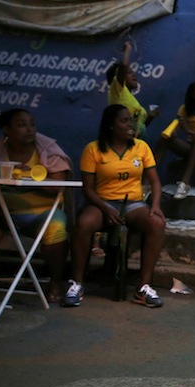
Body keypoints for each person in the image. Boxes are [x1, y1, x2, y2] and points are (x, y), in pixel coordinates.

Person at [63, 104, 166, 308]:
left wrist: (155, 205)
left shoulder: (141, 147)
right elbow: (88, 189)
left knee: (157, 223)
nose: (131, 125)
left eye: (131, 120)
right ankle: (77, 283)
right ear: (111, 125)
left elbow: (154, 181)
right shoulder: (93, 149)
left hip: (133, 204)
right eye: (124, 121)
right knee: (84, 223)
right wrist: (105, 208)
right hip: (102, 202)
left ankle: (143, 287)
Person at [0, 108, 72, 302]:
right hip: (2, 214)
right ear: (6, 130)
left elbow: (60, 186)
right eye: (21, 125)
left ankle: (55, 282)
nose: (29, 129)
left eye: (32, 124)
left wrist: (32, 176)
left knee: (56, 227)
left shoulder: (48, 150)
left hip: (41, 214)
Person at [106, 40, 159, 139]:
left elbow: (139, 127)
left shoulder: (130, 99)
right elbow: (123, 65)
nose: (134, 75)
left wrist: (151, 116)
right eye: (129, 73)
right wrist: (128, 48)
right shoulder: (117, 90)